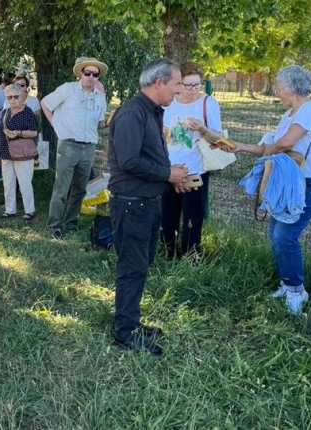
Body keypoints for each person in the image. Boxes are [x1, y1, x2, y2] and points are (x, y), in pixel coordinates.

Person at [228, 65, 311, 314]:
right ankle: (287, 284)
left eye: (280, 88)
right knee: (276, 234)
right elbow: (269, 147)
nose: (277, 93)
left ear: (292, 88)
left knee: (285, 236)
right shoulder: (288, 116)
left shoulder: (310, 108)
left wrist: (270, 148)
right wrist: (238, 146)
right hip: (289, 182)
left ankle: (297, 291)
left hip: (309, 183)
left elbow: (285, 143)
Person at [108, 58, 185, 356]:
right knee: (132, 268)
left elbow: (147, 156)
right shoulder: (131, 113)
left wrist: (170, 176)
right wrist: (167, 174)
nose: (178, 90)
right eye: (176, 83)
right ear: (159, 83)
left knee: (140, 266)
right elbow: (129, 161)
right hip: (131, 205)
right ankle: (124, 332)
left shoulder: (152, 111)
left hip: (146, 202)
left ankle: (131, 321)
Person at [161, 61, 223, 258]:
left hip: (195, 170)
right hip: (168, 170)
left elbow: (218, 138)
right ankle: (166, 254)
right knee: (166, 218)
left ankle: (191, 257)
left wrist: (202, 129)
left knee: (192, 220)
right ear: (178, 85)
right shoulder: (168, 103)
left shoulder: (207, 103)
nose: (194, 90)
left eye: (198, 85)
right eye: (189, 85)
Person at [42, 57, 108, 238]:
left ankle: (71, 224)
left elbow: (100, 124)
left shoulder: (100, 98)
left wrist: (110, 121)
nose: (91, 77)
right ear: (81, 73)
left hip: (88, 149)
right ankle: (53, 226)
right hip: (68, 146)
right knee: (61, 189)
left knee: (79, 190)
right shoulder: (67, 89)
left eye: (95, 74)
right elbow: (45, 104)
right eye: (88, 73)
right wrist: (56, 125)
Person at [0, 83, 38, 220]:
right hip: (6, 153)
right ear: (6, 98)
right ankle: (10, 210)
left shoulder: (28, 112)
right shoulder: (5, 113)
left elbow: (34, 132)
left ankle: (29, 210)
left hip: (23, 153)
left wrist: (18, 133)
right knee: (8, 183)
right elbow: (1, 136)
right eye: (10, 97)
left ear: (21, 97)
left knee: (25, 182)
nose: (13, 99)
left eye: (16, 96)